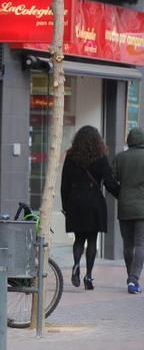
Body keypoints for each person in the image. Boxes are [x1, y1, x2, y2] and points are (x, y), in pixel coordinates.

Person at [61, 125, 119, 291]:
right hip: (94, 200)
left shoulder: (71, 156)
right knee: (92, 240)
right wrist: (122, 195)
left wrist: (66, 205)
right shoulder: (101, 157)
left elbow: (64, 184)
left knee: (79, 239)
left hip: (75, 200)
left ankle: (76, 265)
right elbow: (109, 183)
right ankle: (88, 276)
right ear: (97, 140)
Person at [112, 127, 144, 294]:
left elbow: (111, 180)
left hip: (124, 207)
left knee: (128, 244)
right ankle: (134, 279)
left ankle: (130, 278)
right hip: (142, 209)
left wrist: (121, 194)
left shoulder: (120, 158)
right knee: (140, 244)